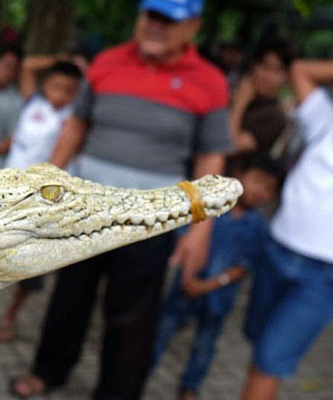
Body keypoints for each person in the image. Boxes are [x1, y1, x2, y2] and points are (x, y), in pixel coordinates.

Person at [13, 1, 232, 398]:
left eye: (169, 20)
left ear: (193, 27)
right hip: (86, 212)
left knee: (133, 316)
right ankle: (49, 370)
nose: (155, 26)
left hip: (151, 221)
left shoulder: (210, 81)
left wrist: (200, 231)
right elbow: (76, 126)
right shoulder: (106, 63)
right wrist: (40, 190)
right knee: (68, 298)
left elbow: (210, 158)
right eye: (151, 15)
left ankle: (117, 393)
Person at [150, 155, 283, 400]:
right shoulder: (211, 206)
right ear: (240, 175)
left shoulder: (257, 227)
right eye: (257, 181)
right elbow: (186, 237)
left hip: (217, 299)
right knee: (160, 334)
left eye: (269, 189)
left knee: (205, 346)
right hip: (184, 288)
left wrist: (208, 285)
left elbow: (243, 267)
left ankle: (190, 387)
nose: (260, 192)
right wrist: (189, 277)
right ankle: (142, 373)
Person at [240, 59, 333, 400]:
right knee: (259, 345)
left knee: (269, 362)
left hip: (323, 276)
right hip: (276, 249)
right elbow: (301, 71)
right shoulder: (325, 119)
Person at [0, 61, 83, 342]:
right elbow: (29, 66)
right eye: (56, 86)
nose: (61, 94)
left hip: (41, 202)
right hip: (8, 190)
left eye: (69, 89)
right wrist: (63, 57)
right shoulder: (32, 104)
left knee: (32, 265)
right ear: (46, 85)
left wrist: (86, 69)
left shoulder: (72, 119)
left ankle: (10, 316)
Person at [229, 40, 292, 156]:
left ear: (285, 77)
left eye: (276, 71)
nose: (266, 76)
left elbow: (230, 145)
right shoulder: (231, 93)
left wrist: (239, 104)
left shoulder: (274, 118)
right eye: (264, 66)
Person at [0, 42, 23, 168]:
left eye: (14, 69)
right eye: (7, 66)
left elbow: (14, 138)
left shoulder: (14, 102)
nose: (9, 73)